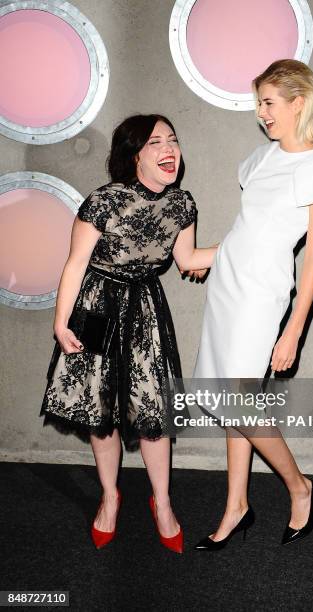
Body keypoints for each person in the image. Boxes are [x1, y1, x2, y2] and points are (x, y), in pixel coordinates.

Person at [40, 114, 216, 553]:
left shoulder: (182, 205)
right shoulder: (104, 200)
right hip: (97, 308)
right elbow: (75, 263)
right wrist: (61, 322)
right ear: (135, 154)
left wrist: (252, 242)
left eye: (173, 140)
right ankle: (110, 497)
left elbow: (190, 259)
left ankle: (163, 503)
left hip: (145, 310)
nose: (169, 149)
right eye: (156, 142)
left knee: (152, 411)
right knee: (101, 408)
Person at [192, 59, 313, 549]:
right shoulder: (258, 160)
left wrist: (292, 332)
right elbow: (247, 233)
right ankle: (237, 504)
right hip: (227, 286)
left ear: (298, 102)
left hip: (261, 294)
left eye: (268, 103)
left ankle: (300, 487)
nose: (261, 113)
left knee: (235, 400)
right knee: (233, 401)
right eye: (258, 103)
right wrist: (208, 257)